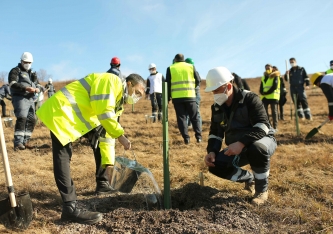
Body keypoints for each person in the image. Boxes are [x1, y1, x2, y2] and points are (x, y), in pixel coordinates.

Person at [36, 73, 146, 224]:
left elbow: (107, 135)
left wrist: (109, 165)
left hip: (71, 115)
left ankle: (102, 183)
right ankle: (70, 207)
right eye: (137, 93)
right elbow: (104, 113)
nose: (137, 98)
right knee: (63, 155)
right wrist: (121, 136)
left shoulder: (118, 103)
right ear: (129, 84)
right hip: (61, 110)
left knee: (99, 142)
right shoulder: (111, 81)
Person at [204, 66, 277, 206]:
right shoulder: (217, 107)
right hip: (236, 147)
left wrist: (242, 143)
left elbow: (262, 125)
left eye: (217, 90)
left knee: (256, 148)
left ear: (229, 86)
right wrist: (212, 151)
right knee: (215, 166)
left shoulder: (250, 98)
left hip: (262, 140)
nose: (215, 94)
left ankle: (261, 191)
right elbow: (215, 132)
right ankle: (250, 178)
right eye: (212, 91)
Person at [8, 52, 41, 151]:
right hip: (20, 98)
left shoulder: (32, 73)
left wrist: (38, 88)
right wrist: (26, 88)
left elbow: (37, 84)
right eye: (26, 62)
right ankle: (18, 143)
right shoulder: (15, 71)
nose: (28, 64)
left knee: (32, 120)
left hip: (31, 99)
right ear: (21, 61)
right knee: (22, 118)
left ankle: (25, 141)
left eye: (29, 62)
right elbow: (12, 83)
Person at [166, 54, 202, 144]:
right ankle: (198, 137)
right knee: (194, 117)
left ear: (175, 59)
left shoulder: (170, 68)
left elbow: (168, 84)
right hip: (190, 95)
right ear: (183, 59)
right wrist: (192, 88)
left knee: (181, 118)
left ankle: (186, 138)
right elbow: (198, 80)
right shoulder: (191, 66)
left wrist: (168, 97)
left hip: (177, 97)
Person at [259, 64, 280, 131]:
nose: (267, 69)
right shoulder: (263, 77)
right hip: (264, 97)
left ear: (272, 68)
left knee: (274, 112)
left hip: (273, 96)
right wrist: (261, 92)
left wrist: (267, 92)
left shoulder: (275, 76)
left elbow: (275, 86)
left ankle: (275, 127)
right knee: (264, 112)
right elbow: (261, 86)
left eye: (269, 68)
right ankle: (269, 126)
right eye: (266, 68)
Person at [184, 58, 202, 130]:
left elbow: (198, 81)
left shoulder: (194, 72)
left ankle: (198, 127)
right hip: (191, 94)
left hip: (194, 94)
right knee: (189, 110)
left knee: (196, 111)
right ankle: (189, 126)